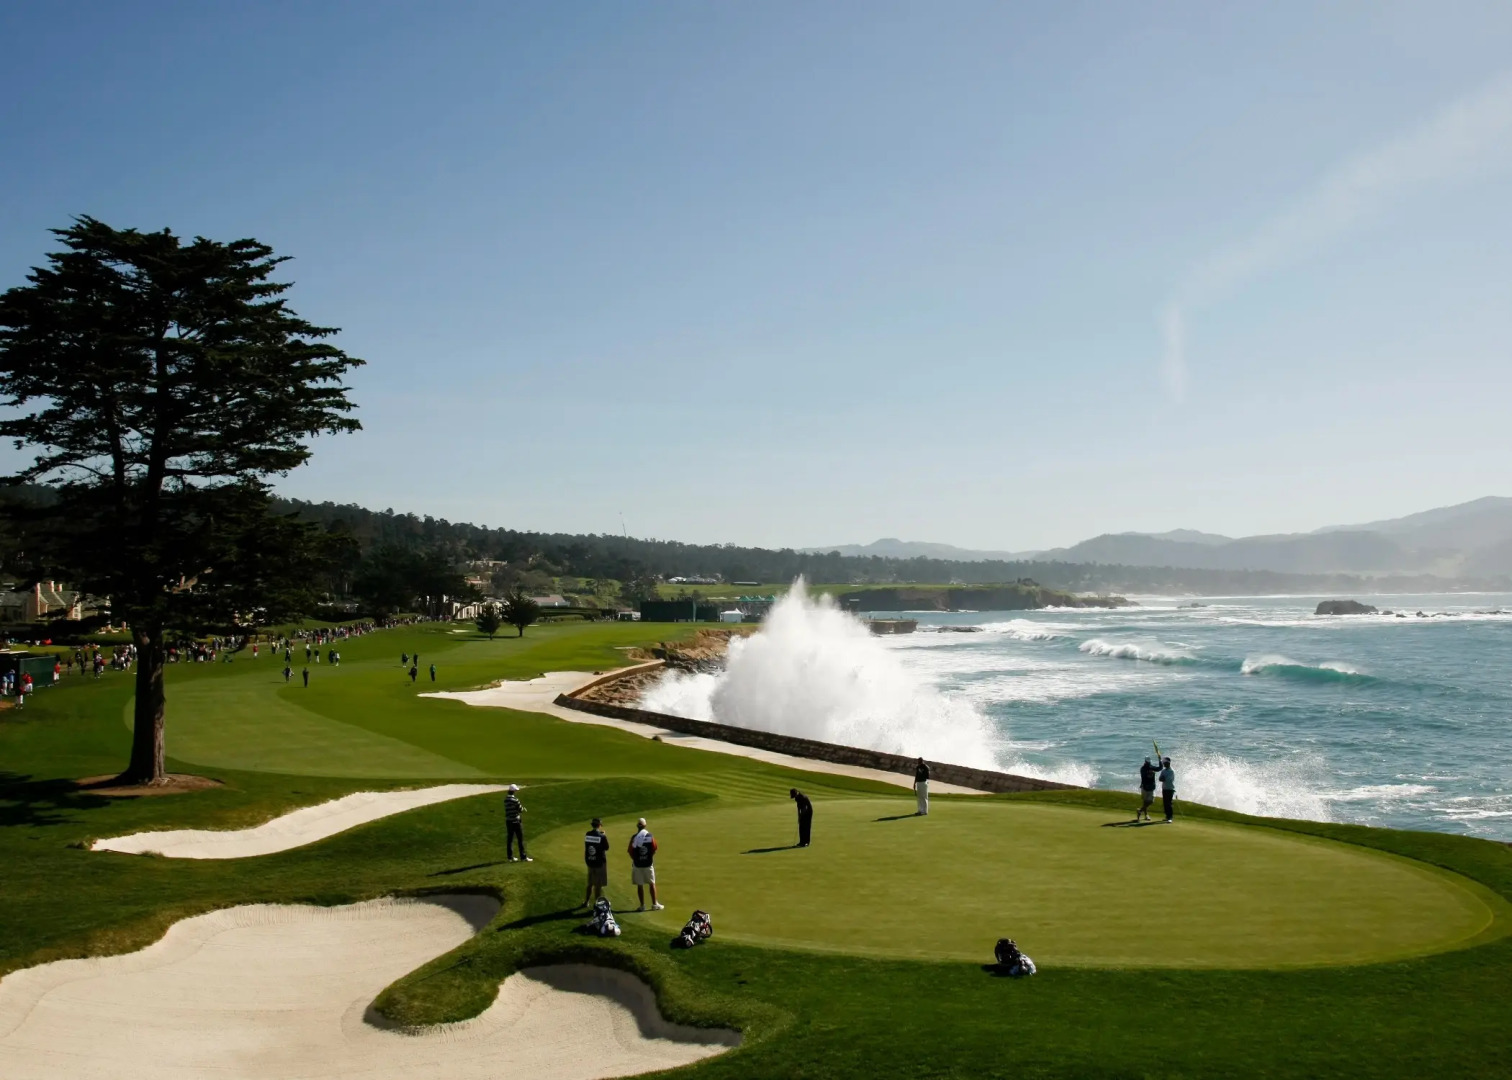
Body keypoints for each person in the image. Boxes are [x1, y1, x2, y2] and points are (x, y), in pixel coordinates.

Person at [628, 817, 663, 911]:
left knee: (640, 885)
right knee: (652, 883)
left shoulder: (634, 837)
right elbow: (654, 848)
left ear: (637, 826)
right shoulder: (650, 836)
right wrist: (648, 857)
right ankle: (654, 904)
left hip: (637, 865)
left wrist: (636, 859)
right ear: (645, 825)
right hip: (648, 864)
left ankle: (642, 905)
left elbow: (630, 851)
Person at [583, 817, 610, 907]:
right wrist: (603, 835)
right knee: (598, 885)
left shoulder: (588, 834)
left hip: (590, 861)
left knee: (590, 883)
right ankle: (597, 904)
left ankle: (586, 901)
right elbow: (606, 847)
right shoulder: (602, 836)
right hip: (599, 863)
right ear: (599, 825)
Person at [504, 784, 531, 862]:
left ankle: (510, 857)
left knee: (510, 839)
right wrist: (524, 809)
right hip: (516, 821)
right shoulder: (515, 800)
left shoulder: (506, 799)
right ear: (513, 791)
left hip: (508, 821)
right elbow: (520, 809)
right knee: (520, 839)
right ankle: (523, 857)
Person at [1137, 757, 1158, 822]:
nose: (1148, 763)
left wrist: (1160, 760)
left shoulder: (1151, 767)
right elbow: (1145, 777)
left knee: (1151, 801)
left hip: (1151, 787)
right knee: (1145, 801)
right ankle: (1146, 815)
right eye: (1147, 762)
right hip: (1145, 787)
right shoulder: (1143, 769)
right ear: (1145, 762)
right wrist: (1149, 771)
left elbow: (1160, 768)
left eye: (1149, 762)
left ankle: (1140, 810)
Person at [1159, 756, 1177, 823]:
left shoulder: (1171, 771)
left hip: (1170, 789)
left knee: (1169, 803)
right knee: (1165, 803)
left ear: (1168, 763)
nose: (1164, 764)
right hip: (1164, 788)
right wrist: (1163, 778)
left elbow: (1167, 780)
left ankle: (1170, 817)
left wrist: (1163, 778)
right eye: (1163, 763)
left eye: (1165, 763)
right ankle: (1167, 816)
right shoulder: (1163, 771)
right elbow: (1160, 779)